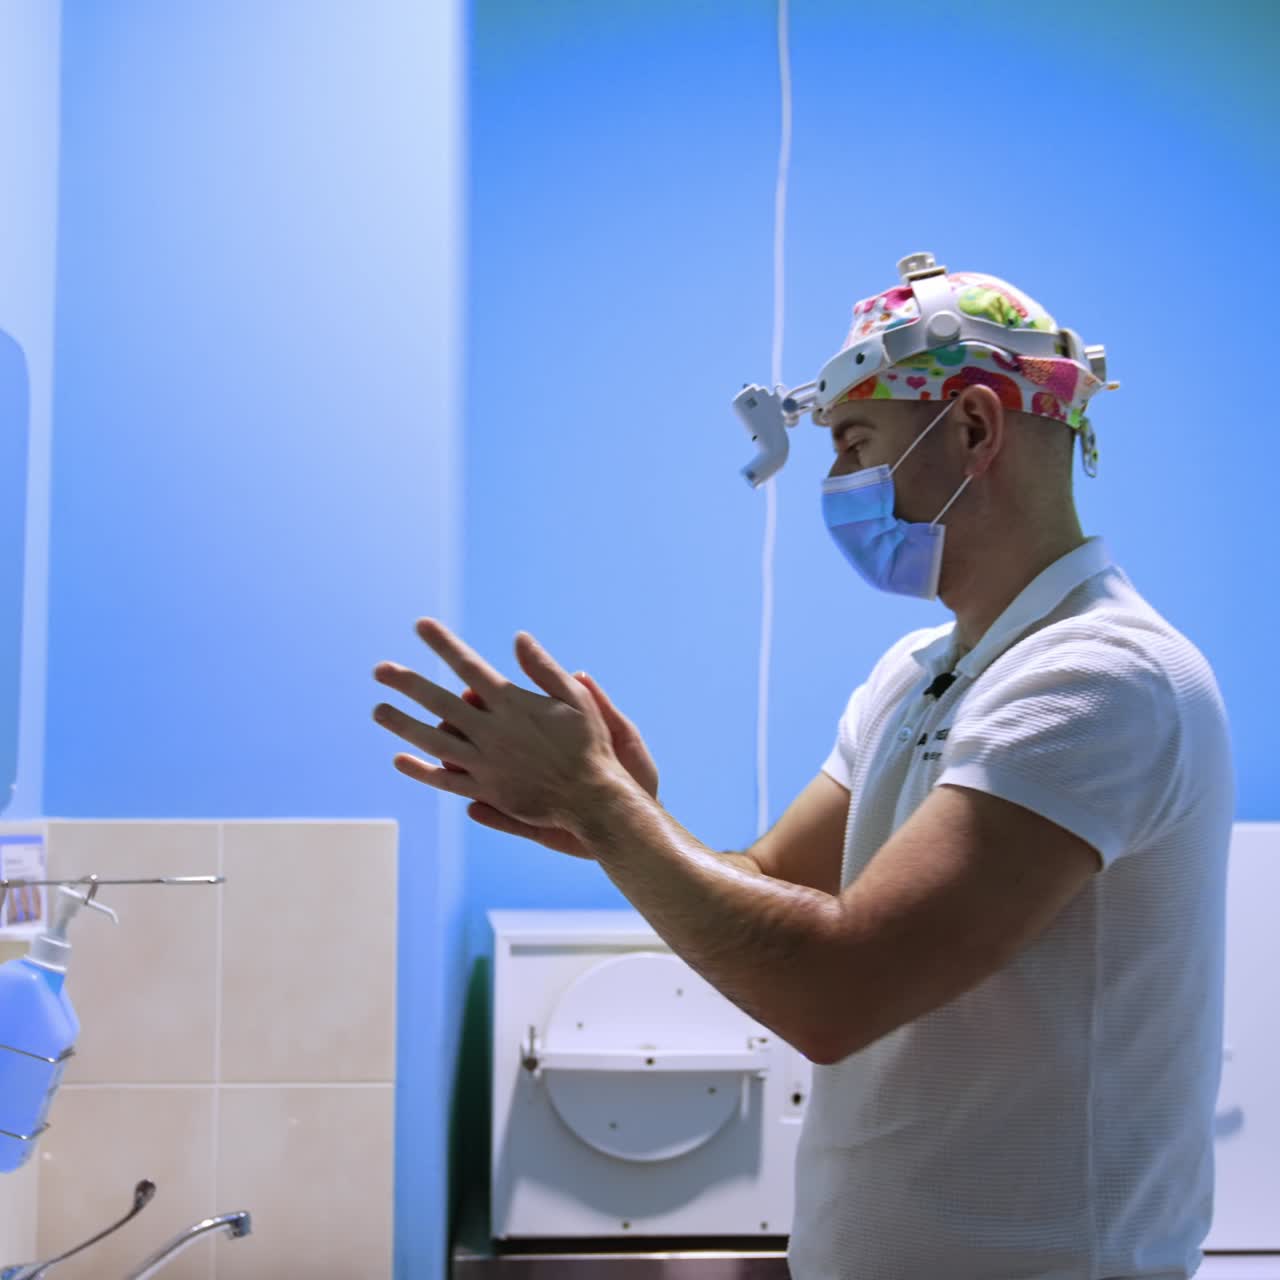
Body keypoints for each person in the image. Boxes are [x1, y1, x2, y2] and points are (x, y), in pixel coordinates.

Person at [372, 261, 1235, 1280]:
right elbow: (775, 887)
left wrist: (603, 810)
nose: (837, 486)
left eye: (854, 444)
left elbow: (835, 990)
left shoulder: (1098, 678)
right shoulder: (921, 671)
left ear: (971, 426)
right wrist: (629, 815)